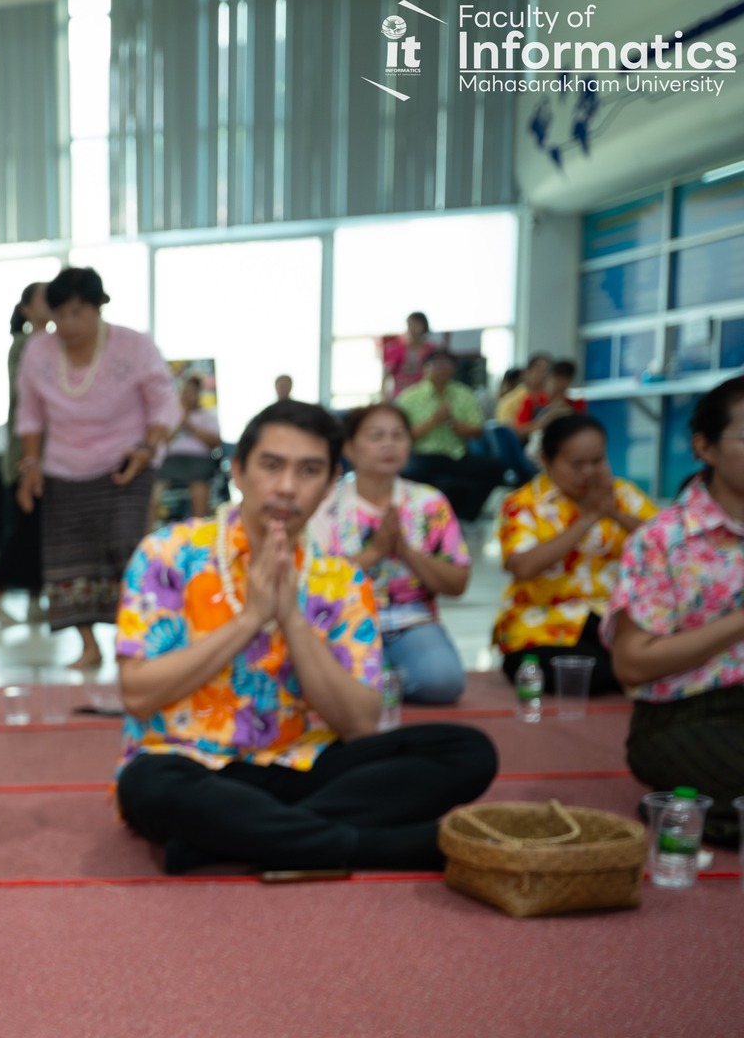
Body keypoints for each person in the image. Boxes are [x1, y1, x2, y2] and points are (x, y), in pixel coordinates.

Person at [112, 401, 496, 874]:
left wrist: (291, 618)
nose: (288, 487)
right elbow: (138, 695)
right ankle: (370, 846)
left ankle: (223, 844)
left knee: (467, 752)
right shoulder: (167, 554)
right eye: (272, 466)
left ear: (332, 480)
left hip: (305, 765)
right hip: (189, 762)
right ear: (238, 470)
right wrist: (250, 619)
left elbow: (359, 723)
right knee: (147, 785)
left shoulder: (342, 578)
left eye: (309, 470)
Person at [13, 266, 179, 670]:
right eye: (61, 314)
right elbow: (31, 414)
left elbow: (164, 402)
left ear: (98, 307)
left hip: (126, 464)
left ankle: (138, 642)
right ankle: (89, 646)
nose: (69, 323)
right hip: (64, 469)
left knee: (127, 550)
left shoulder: (133, 345)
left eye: (78, 312)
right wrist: (31, 465)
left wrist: (147, 447)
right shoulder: (39, 351)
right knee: (69, 560)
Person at [604, 374, 744, 847]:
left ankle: (703, 815)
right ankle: (701, 811)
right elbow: (632, 662)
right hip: (686, 715)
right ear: (704, 448)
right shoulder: (665, 539)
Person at [308, 403, 471, 705]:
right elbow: (313, 584)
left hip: (410, 623)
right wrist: (376, 552)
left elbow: (458, 583)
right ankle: (381, 681)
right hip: (341, 623)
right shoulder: (324, 504)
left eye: (398, 435)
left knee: (443, 682)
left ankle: (377, 682)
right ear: (350, 447)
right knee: (310, 679)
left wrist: (406, 552)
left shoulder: (428, 503)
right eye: (376, 435)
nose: (389, 444)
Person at [496, 412, 656, 695]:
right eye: (577, 464)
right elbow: (523, 566)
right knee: (597, 673)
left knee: (659, 656)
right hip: (544, 625)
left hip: (613, 620)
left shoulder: (622, 494)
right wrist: (588, 518)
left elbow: (665, 545)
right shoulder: (522, 504)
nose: (589, 472)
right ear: (546, 461)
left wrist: (614, 513)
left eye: (597, 461)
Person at [0, 282, 49, 624]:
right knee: (21, 531)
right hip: (24, 457)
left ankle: (33, 600)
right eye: (43, 299)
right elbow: (27, 404)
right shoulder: (26, 345)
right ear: (26, 308)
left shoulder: (49, 344)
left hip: (47, 455)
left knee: (38, 532)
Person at [396, 348, 503, 522]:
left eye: (446, 363)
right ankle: (421, 518)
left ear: (454, 368)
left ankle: (466, 516)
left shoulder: (464, 394)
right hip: (423, 455)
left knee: (494, 468)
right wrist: (434, 420)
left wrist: (453, 423)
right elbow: (402, 436)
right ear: (425, 368)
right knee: (409, 473)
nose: (441, 368)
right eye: (435, 364)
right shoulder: (409, 398)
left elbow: (477, 431)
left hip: (456, 454)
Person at [162, 374, 222, 521]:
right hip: (171, 460)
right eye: (185, 393)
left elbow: (215, 442)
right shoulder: (171, 416)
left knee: (199, 478)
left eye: (192, 393)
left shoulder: (207, 415)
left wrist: (189, 424)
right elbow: (162, 441)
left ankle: (198, 526)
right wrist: (179, 420)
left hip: (198, 461)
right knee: (153, 484)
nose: (188, 396)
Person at [382, 311, 437, 397]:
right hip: (401, 395)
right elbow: (386, 375)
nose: (413, 327)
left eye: (417, 324)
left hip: (424, 396)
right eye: (410, 324)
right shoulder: (395, 349)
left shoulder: (432, 349)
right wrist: (384, 396)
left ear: (424, 326)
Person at [497, 353, 551, 427]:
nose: (542, 374)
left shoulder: (551, 399)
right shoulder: (510, 401)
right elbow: (506, 431)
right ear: (527, 372)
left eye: (546, 370)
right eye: (538, 369)